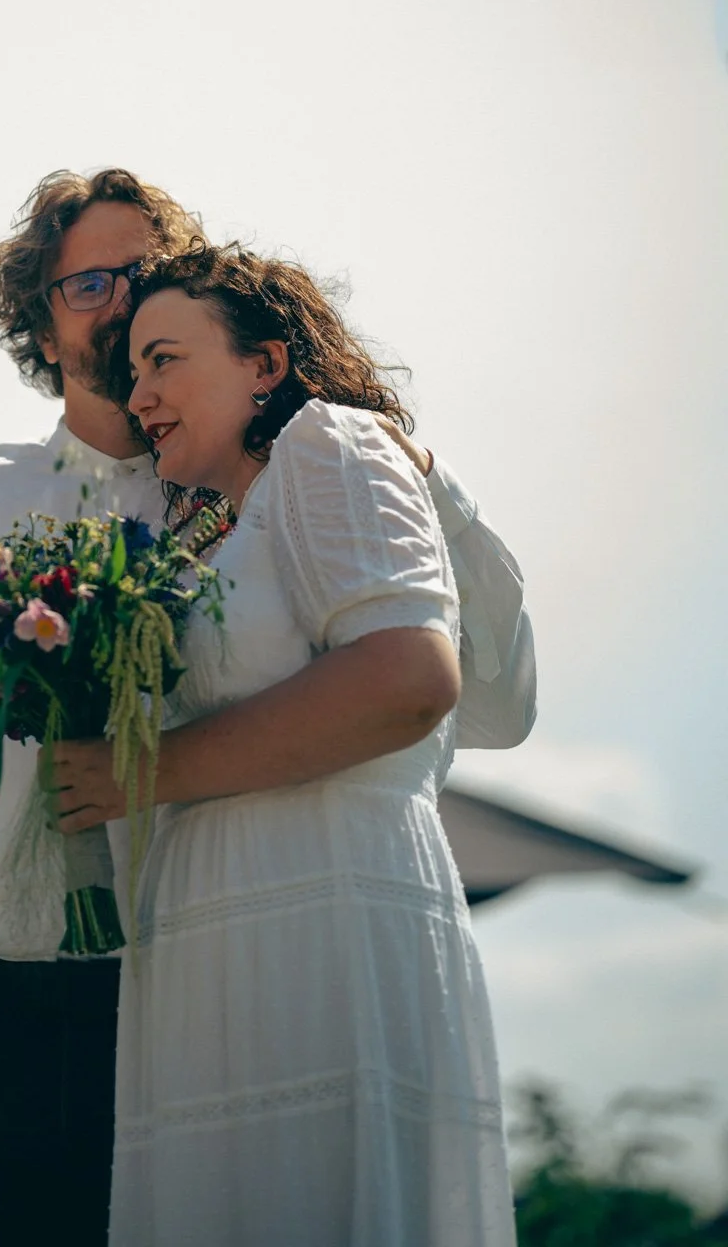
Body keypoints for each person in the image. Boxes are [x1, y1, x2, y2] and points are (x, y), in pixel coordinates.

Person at [0, 171, 532, 1246]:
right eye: (86, 282)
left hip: (200, 996)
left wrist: (418, 463)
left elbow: (465, 696)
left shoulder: (261, 481)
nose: (119, 304)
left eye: (141, 276)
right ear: (38, 325)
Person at [53, 244, 517, 1246]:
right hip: (201, 933)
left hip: (319, 905)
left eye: (164, 359)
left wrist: (140, 775)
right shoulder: (189, 535)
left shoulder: (327, 445)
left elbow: (407, 679)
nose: (140, 394)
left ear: (264, 366)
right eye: (131, 370)